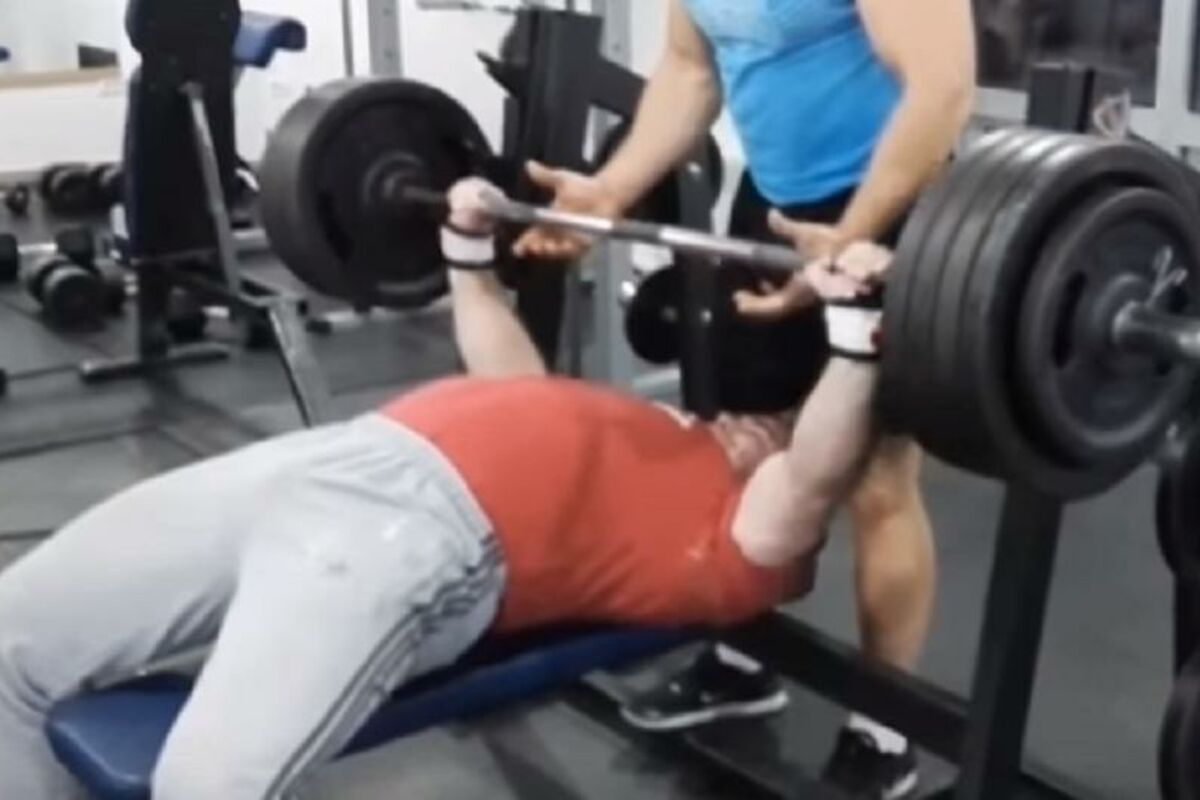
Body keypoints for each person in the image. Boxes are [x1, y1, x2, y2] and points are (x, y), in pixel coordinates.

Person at [0, 179, 893, 800]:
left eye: (776, 433)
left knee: (206, 785)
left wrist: (854, 338)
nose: (758, 424)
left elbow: (812, 474)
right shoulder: (649, 431)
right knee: (13, 637)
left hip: (414, 536)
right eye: (763, 417)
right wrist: (466, 251)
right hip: (332, 458)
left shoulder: (739, 542)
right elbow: (509, 376)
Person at [515, 2, 974, 795]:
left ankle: (882, 729)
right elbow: (691, 68)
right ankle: (741, 657)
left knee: (877, 480)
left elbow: (942, 89)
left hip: (892, 206)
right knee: (746, 446)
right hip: (771, 206)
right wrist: (612, 189)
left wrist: (851, 237)